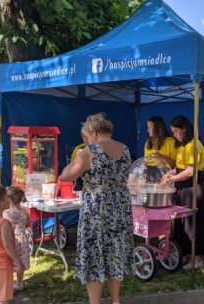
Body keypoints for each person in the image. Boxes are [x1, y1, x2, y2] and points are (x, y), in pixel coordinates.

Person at [59, 113, 134, 304]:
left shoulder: (90, 151)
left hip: (97, 210)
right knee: (114, 253)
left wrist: (80, 154)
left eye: (86, 136)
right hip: (119, 208)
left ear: (92, 132)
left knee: (94, 255)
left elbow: (65, 176)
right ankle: (115, 300)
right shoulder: (124, 149)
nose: (86, 140)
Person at [161, 115, 204, 270]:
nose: (174, 135)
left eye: (176, 132)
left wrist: (173, 178)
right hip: (182, 187)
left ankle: (198, 258)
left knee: (193, 222)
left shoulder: (194, 145)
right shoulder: (183, 146)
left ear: (184, 129)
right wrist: (169, 174)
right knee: (182, 222)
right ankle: (187, 253)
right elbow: (180, 167)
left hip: (192, 186)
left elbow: (190, 171)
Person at [3, 186, 30, 291]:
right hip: (23, 239)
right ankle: (20, 283)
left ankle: (9, 283)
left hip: (12, 239)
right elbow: (28, 224)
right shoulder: (24, 212)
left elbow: (4, 227)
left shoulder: (6, 213)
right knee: (21, 261)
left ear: (9, 198)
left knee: (11, 260)